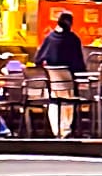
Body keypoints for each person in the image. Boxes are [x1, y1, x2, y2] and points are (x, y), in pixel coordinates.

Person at [34, 10, 85, 138]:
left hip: (52, 86)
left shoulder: (49, 38)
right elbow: (79, 65)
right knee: (69, 101)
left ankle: (56, 131)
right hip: (70, 85)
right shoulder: (73, 40)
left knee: (54, 102)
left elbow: (37, 60)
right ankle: (66, 130)